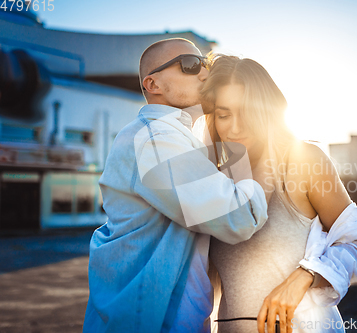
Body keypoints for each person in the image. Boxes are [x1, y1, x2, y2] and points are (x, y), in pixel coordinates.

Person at [82, 38, 274, 333]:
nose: (203, 73)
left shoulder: (173, 138)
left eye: (205, 64)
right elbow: (240, 217)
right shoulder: (156, 140)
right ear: (153, 83)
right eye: (189, 64)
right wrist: (262, 162)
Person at [200, 55, 357, 333]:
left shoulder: (303, 160)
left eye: (247, 112)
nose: (235, 127)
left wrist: (306, 274)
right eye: (224, 114)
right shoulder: (215, 182)